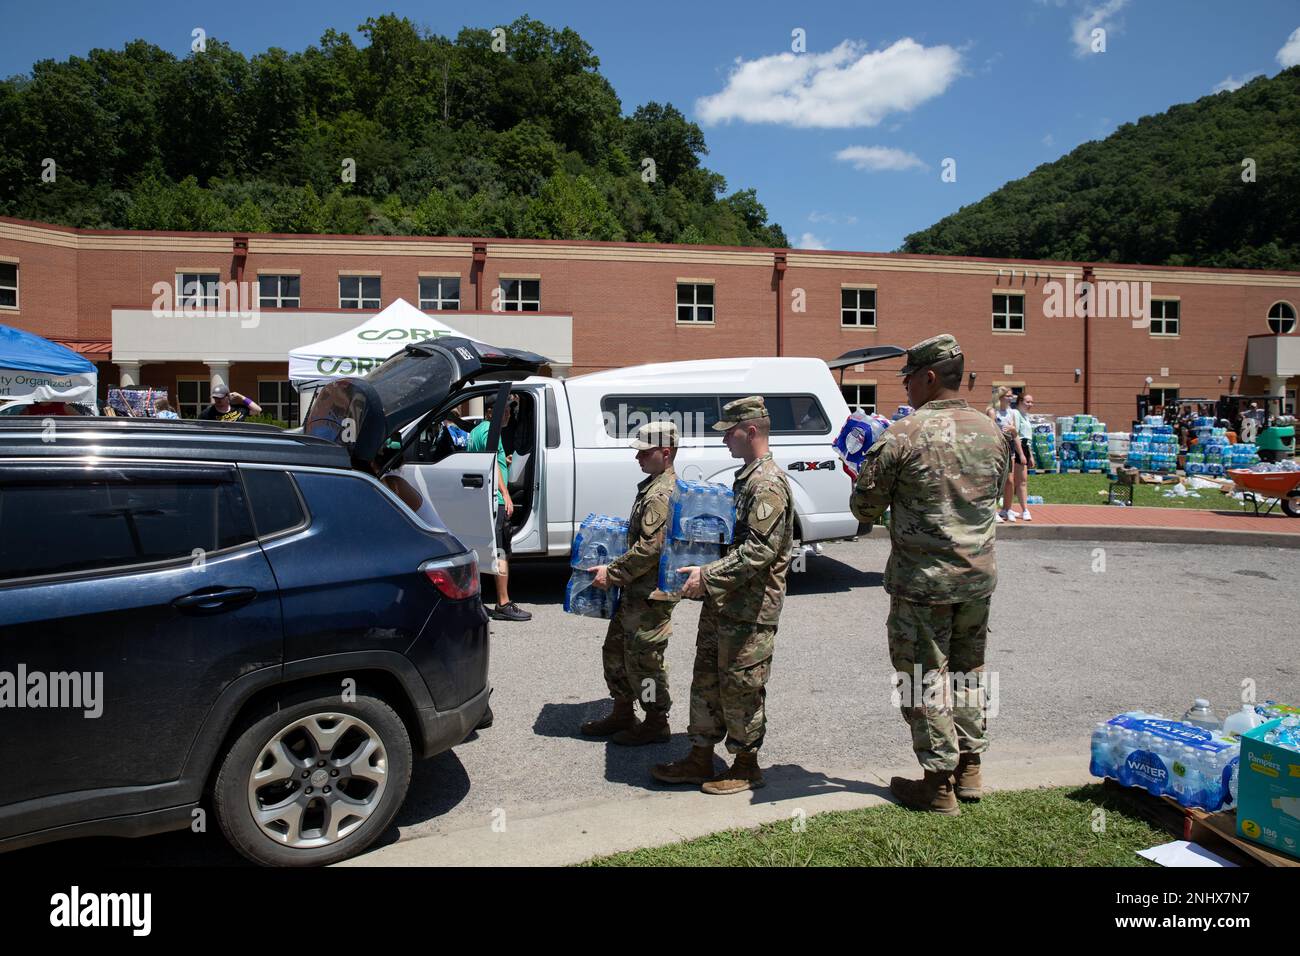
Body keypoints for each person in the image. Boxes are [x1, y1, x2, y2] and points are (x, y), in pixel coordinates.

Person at [850, 333, 1008, 815]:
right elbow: (994, 494)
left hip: (923, 584)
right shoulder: (991, 431)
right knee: (967, 672)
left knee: (924, 678)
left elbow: (865, 506)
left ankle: (938, 783)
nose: (906, 389)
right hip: (976, 580)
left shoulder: (903, 435)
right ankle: (970, 768)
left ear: (930, 377)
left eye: (910, 379)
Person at [652, 396, 795, 795]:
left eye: (728, 433)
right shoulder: (748, 476)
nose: (724, 441)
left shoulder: (767, 484)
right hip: (726, 601)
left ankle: (746, 764)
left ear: (750, 431)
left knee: (741, 685)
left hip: (750, 608)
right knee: (707, 679)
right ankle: (700, 755)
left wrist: (707, 573)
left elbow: (760, 550)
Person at [581, 420, 681, 745]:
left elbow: (651, 547)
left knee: (645, 661)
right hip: (636, 592)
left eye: (644, 452)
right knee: (615, 651)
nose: (637, 458)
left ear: (665, 453)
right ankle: (623, 711)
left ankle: (656, 721)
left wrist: (612, 572)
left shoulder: (661, 494)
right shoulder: (652, 486)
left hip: (650, 595)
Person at [467, 396, 531, 622]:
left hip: (484, 497)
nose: (508, 414)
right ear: (490, 412)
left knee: (485, 549)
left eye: (509, 411)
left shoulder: (478, 431)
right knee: (500, 550)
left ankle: (476, 601)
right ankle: (503, 603)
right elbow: (490, 464)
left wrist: (507, 461)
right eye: (503, 410)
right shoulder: (488, 432)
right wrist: (505, 494)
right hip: (495, 500)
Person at [986, 387, 1023, 522]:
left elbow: (1015, 434)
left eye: (1011, 396)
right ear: (1000, 397)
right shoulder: (992, 412)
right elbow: (990, 431)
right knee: (996, 480)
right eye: (1007, 396)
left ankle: (1006, 509)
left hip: (1010, 447)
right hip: (997, 447)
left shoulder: (1011, 413)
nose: (1011, 398)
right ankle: (993, 510)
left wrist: (1021, 454)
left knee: (1009, 480)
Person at [1012, 393, 1035, 520]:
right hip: (1017, 447)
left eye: (1032, 402)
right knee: (1015, 481)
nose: (1030, 404)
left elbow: (1028, 439)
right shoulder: (1015, 414)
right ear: (1020, 401)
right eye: (1027, 402)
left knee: (1021, 481)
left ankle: (1023, 509)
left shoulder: (1026, 416)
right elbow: (1016, 435)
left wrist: (1030, 455)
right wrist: (1020, 453)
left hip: (1025, 448)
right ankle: (1022, 509)